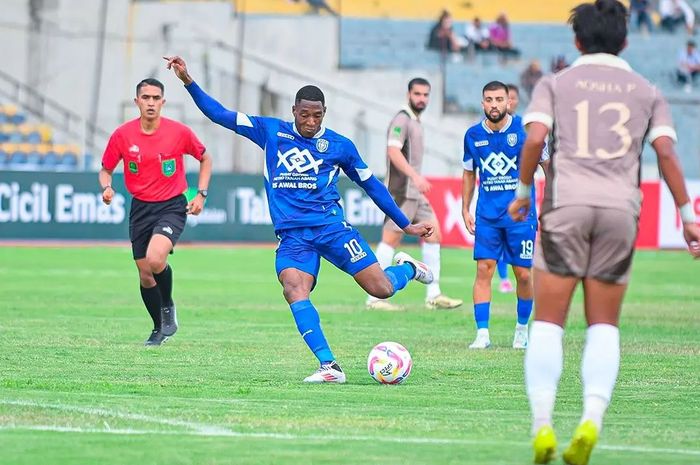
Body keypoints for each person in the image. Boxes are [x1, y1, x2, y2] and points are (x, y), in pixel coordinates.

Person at [507, 1, 700, 464]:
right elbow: (668, 155)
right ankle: (592, 417)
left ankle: (542, 425)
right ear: (626, 41)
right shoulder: (646, 89)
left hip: (566, 204)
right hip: (620, 210)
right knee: (603, 325)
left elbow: (535, 140)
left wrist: (521, 191)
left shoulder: (554, 84)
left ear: (576, 42)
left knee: (550, 322)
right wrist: (688, 215)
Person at [164, 55, 435, 384]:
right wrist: (188, 81)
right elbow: (219, 114)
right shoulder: (270, 131)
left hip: (332, 229)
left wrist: (404, 225)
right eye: (304, 114)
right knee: (294, 288)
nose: (310, 121)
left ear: (324, 114)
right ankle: (329, 367)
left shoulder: (340, 146)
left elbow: (372, 185)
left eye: (316, 115)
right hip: (294, 237)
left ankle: (408, 268)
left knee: (381, 289)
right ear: (294, 111)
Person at [99, 78, 212, 346]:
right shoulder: (123, 135)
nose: (150, 103)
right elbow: (106, 168)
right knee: (145, 273)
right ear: (136, 101)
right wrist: (107, 187)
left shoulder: (179, 132)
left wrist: (201, 194)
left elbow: (205, 158)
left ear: (163, 102)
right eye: (145, 98)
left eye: (155, 98)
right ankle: (158, 328)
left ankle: (168, 305)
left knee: (155, 258)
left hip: (172, 205)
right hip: (141, 207)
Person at [461, 81, 549, 350]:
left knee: (523, 274)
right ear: (482, 102)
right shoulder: (472, 135)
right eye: (489, 99)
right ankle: (482, 334)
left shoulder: (526, 131)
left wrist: (553, 205)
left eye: (500, 99)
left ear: (509, 101)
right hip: (487, 215)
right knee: (483, 269)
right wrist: (465, 208)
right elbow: (469, 173)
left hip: (521, 217)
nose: (494, 104)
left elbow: (548, 167)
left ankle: (522, 330)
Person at [366, 78, 463, 311]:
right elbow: (393, 151)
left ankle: (434, 294)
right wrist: (415, 176)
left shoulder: (415, 121)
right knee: (391, 239)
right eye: (417, 94)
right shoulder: (402, 119)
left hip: (414, 192)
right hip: (402, 189)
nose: (422, 99)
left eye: (425, 95)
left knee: (433, 234)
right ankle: (374, 298)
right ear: (409, 94)